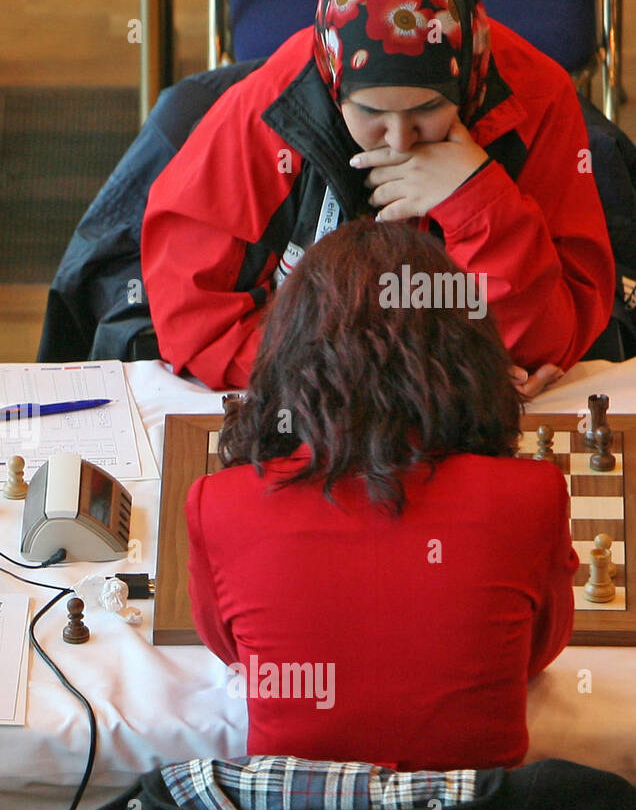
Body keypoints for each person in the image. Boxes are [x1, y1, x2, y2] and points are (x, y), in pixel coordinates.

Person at [143, 0, 614, 394]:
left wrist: (477, 199)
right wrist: (386, 381)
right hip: (345, 402)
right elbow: (198, 323)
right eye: (370, 112)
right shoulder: (270, 109)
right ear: (333, 82)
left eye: (427, 110)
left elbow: (542, 344)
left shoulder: (539, 100)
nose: (399, 138)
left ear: (469, 82)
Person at [187, 220, 576, 772]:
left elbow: (232, 653)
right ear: (471, 353)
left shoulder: (218, 502)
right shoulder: (534, 494)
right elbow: (538, 654)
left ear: (288, 352)